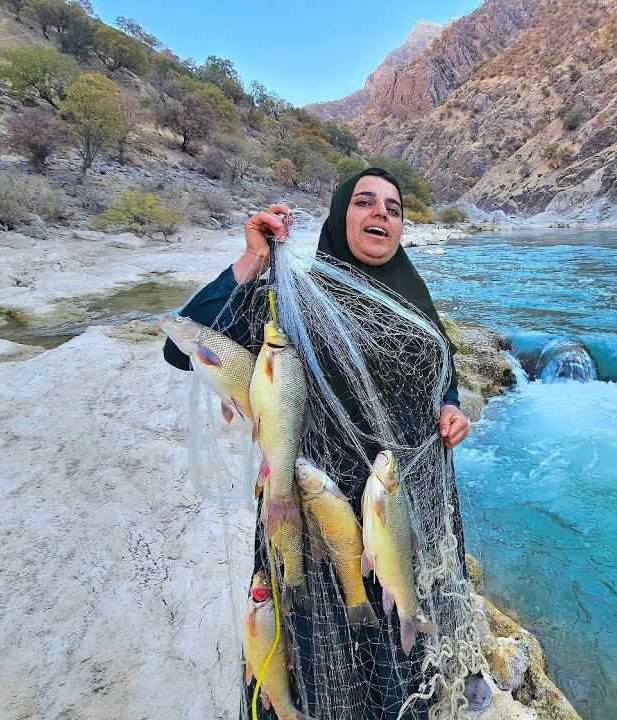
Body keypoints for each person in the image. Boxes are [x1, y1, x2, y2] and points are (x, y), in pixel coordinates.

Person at [163, 168, 471, 719]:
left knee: (397, 619)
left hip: (398, 493)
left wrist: (449, 404)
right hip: (315, 495)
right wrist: (253, 257)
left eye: (393, 208)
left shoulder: (412, 295)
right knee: (323, 633)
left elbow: (439, 366)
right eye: (364, 202)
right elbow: (184, 341)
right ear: (337, 215)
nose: (381, 213)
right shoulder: (295, 294)